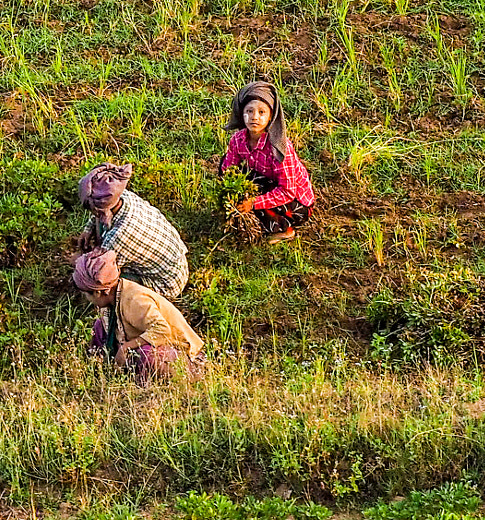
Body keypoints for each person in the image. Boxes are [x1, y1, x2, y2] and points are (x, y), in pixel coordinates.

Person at [72, 249, 204, 377]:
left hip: (185, 357)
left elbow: (162, 330)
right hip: (153, 347)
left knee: (146, 355)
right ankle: (99, 372)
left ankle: (145, 389)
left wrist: (126, 348)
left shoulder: (135, 299)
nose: (87, 299)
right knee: (100, 327)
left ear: (99, 292)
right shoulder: (111, 301)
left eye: (86, 295)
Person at [218, 79, 314, 240]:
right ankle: (251, 215)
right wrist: (230, 195)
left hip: (294, 202)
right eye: (249, 111)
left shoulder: (280, 148)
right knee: (225, 164)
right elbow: (228, 170)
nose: (254, 117)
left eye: (262, 112)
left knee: (260, 198)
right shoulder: (238, 140)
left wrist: (253, 202)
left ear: (271, 117)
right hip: (266, 182)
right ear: (242, 114)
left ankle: (284, 230)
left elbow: (287, 191)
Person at [77, 162, 189, 298]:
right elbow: (100, 213)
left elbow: (98, 272)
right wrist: (88, 230)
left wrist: (77, 261)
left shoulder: (119, 236)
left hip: (166, 284)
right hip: (175, 264)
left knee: (102, 280)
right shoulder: (123, 196)